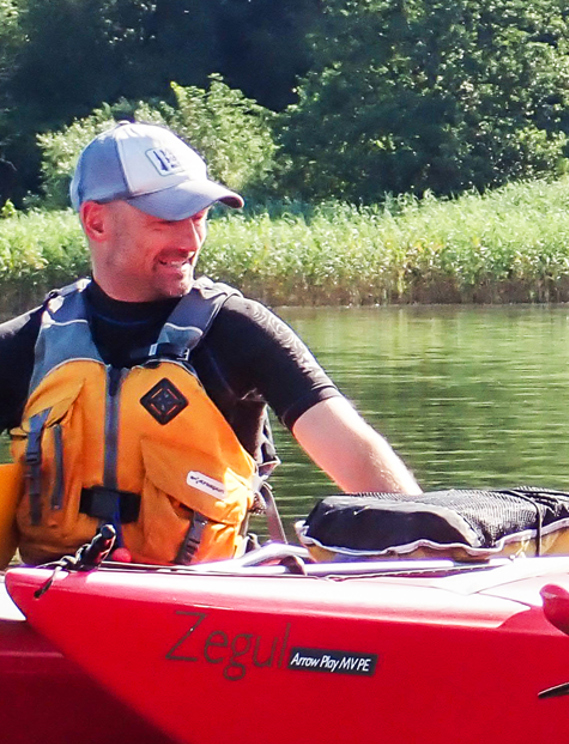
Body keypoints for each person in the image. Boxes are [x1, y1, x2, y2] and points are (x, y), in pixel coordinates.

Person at [0, 121, 418, 566]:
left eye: (199, 218)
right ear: (96, 221)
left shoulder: (238, 332)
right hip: (52, 606)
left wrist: (422, 545)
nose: (190, 241)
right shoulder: (24, 345)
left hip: (206, 604)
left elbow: (356, 455)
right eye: (166, 222)